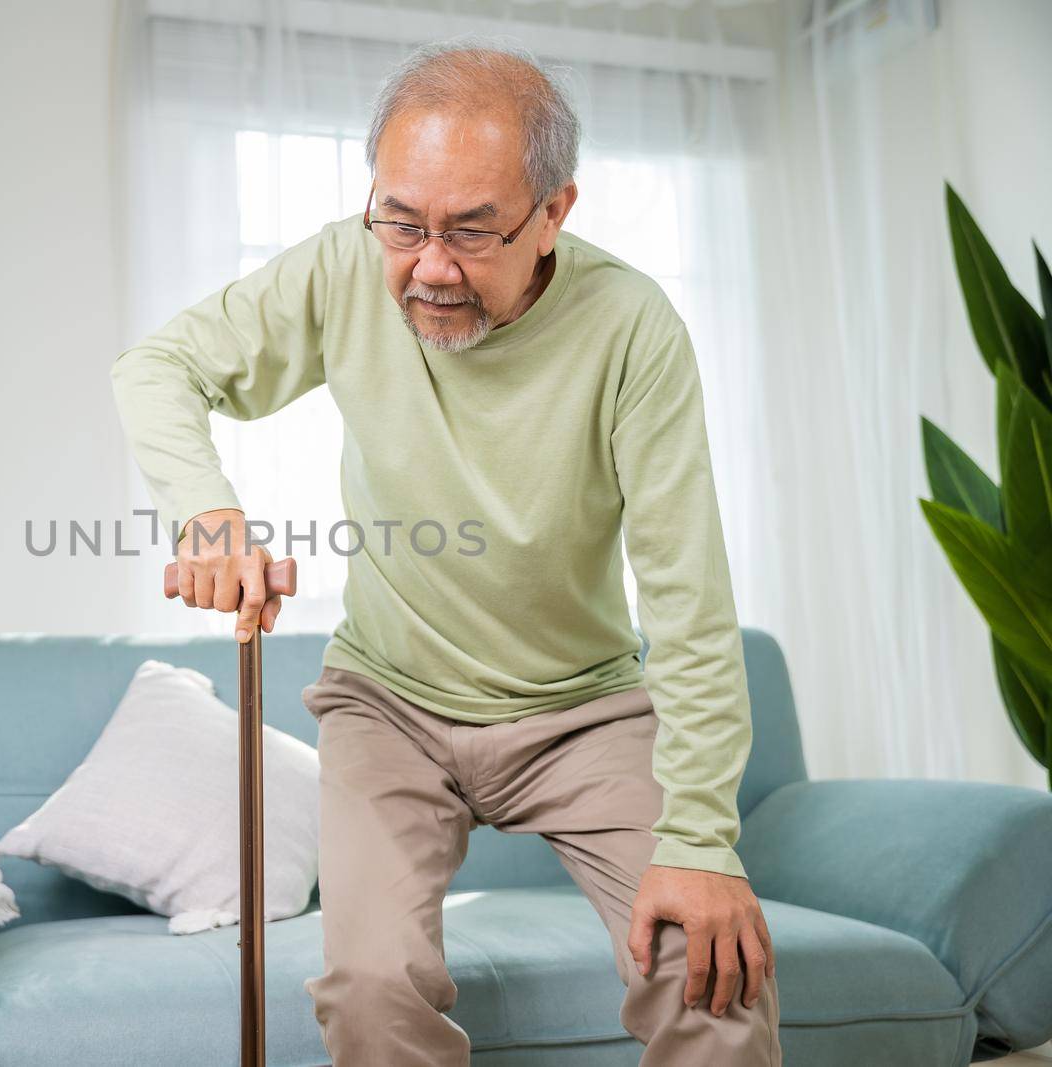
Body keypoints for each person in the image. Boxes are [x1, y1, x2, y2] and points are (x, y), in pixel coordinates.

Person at [110, 34, 782, 1067]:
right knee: (373, 990)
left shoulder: (631, 327)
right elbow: (159, 368)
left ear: (554, 211)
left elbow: (687, 598)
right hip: (391, 705)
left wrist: (700, 840)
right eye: (400, 221)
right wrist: (209, 514)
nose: (427, 266)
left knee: (715, 978)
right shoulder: (345, 264)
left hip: (583, 708)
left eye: (471, 230)